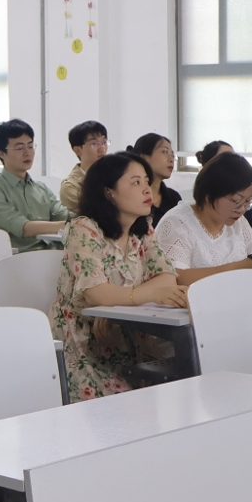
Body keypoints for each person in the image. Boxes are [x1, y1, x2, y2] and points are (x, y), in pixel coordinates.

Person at [51, 152, 187, 400]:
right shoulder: (84, 229)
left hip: (129, 336)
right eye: (136, 182)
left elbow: (167, 278)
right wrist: (127, 299)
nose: (147, 189)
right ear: (109, 192)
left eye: (147, 181)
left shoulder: (142, 230)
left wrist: (114, 306)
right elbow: (96, 293)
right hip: (84, 346)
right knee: (134, 405)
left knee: (180, 386)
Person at [155, 152, 252, 286]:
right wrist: (237, 268)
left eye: (248, 202)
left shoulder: (237, 221)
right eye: (236, 201)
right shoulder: (177, 224)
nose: (242, 209)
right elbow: (176, 277)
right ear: (208, 195)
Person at [0, 119, 69, 251]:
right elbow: (24, 228)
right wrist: (70, 225)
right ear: (1, 153)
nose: (28, 153)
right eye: (19, 148)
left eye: (30, 146)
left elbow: (63, 214)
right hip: (17, 259)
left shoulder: (41, 189)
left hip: (51, 254)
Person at [129, 132, 181, 226]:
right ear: (144, 157)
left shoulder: (173, 198)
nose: (171, 159)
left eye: (172, 155)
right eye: (165, 151)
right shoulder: (131, 196)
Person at [59, 121, 108, 213]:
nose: (102, 149)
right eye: (94, 143)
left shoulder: (114, 176)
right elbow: (89, 216)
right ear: (78, 150)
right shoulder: (71, 187)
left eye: (104, 142)